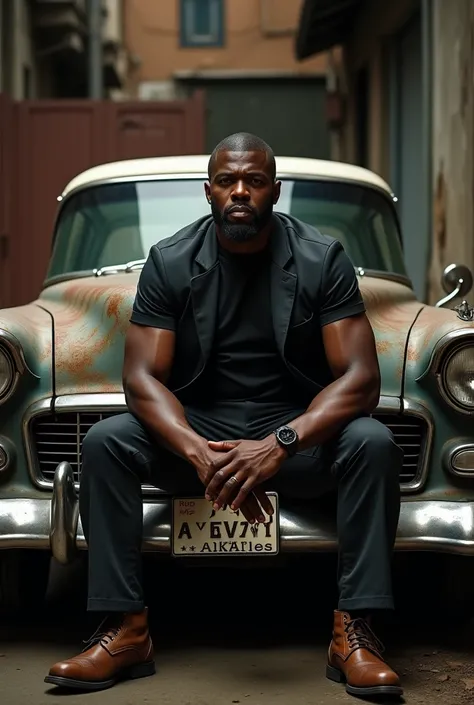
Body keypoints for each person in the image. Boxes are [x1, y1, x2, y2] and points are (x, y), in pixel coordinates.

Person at [45, 132, 403, 699]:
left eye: (255, 181)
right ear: (208, 191)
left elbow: (360, 378)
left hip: (294, 432)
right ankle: (126, 629)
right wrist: (193, 450)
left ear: (274, 191)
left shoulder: (322, 258)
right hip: (201, 431)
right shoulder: (170, 261)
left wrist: (280, 443)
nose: (241, 191)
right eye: (228, 181)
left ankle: (353, 633)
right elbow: (140, 379)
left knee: (373, 441)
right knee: (106, 441)